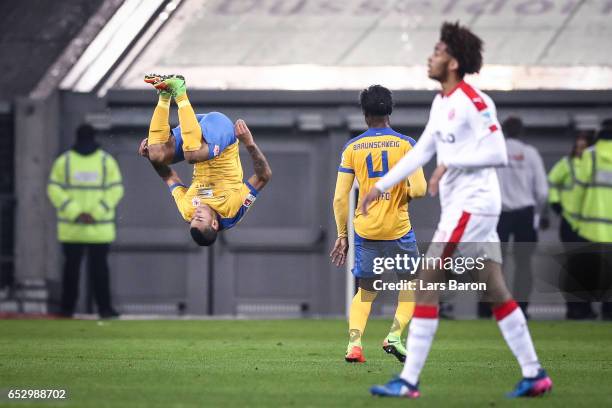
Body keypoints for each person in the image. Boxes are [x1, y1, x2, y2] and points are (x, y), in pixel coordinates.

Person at [362, 22, 552, 398]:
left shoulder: (474, 101)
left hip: (472, 207)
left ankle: (408, 381)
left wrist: (451, 164)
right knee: (496, 292)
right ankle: (534, 374)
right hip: (465, 209)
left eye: (436, 51)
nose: (430, 57)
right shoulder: (442, 102)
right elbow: (421, 151)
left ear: (452, 61)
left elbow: (497, 152)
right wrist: (380, 186)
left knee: (424, 285)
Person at [330, 85, 427, 364]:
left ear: (364, 113)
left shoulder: (352, 148)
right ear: (390, 111)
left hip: (366, 230)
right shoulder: (407, 145)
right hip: (398, 228)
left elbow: (339, 198)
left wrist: (342, 235)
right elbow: (419, 189)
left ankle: (354, 345)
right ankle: (395, 336)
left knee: (367, 290)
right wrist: (400, 196)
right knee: (410, 284)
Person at [138, 74, 271, 245]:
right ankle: (179, 89)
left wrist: (149, 157)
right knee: (193, 155)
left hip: (193, 131)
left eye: (193, 219)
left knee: (157, 155)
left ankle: (164, 93)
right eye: (199, 218)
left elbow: (169, 177)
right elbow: (263, 176)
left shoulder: (187, 210)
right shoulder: (230, 211)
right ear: (214, 223)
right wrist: (249, 143)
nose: (195, 214)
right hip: (220, 130)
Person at [47, 124, 124, 318]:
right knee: (99, 272)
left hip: (72, 228)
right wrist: (96, 213)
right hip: (99, 229)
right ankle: (104, 309)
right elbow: (115, 191)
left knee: (71, 271)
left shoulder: (64, 162)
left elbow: (54, 190)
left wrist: (76, 213)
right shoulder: (106, 162)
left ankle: (67, 309)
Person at [492, 116, 548, 317]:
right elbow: (542, 191)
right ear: (522, 132)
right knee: (524, 264)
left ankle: (492, 308)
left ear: (504, 131)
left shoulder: (496, 151)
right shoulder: (530, 154)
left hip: (500, 214)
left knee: (495, 263)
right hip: (525, 214)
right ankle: (521, 309)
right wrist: (538, 214)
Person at [548, 131, 596, 319]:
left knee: (590, 267)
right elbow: (552, 182)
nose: (580, 149)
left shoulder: (594, 164)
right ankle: (574, 307)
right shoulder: (566, 164)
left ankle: (587, 307)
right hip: (570, 223)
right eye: (578, 145)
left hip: (589, 223)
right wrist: (556, 203)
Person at [572, 119, 612, 320]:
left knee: (586, 270)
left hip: (590, 225)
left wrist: (573, 220)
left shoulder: (590, 155)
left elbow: (578, 190)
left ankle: (583, 310)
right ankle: (609, 311)